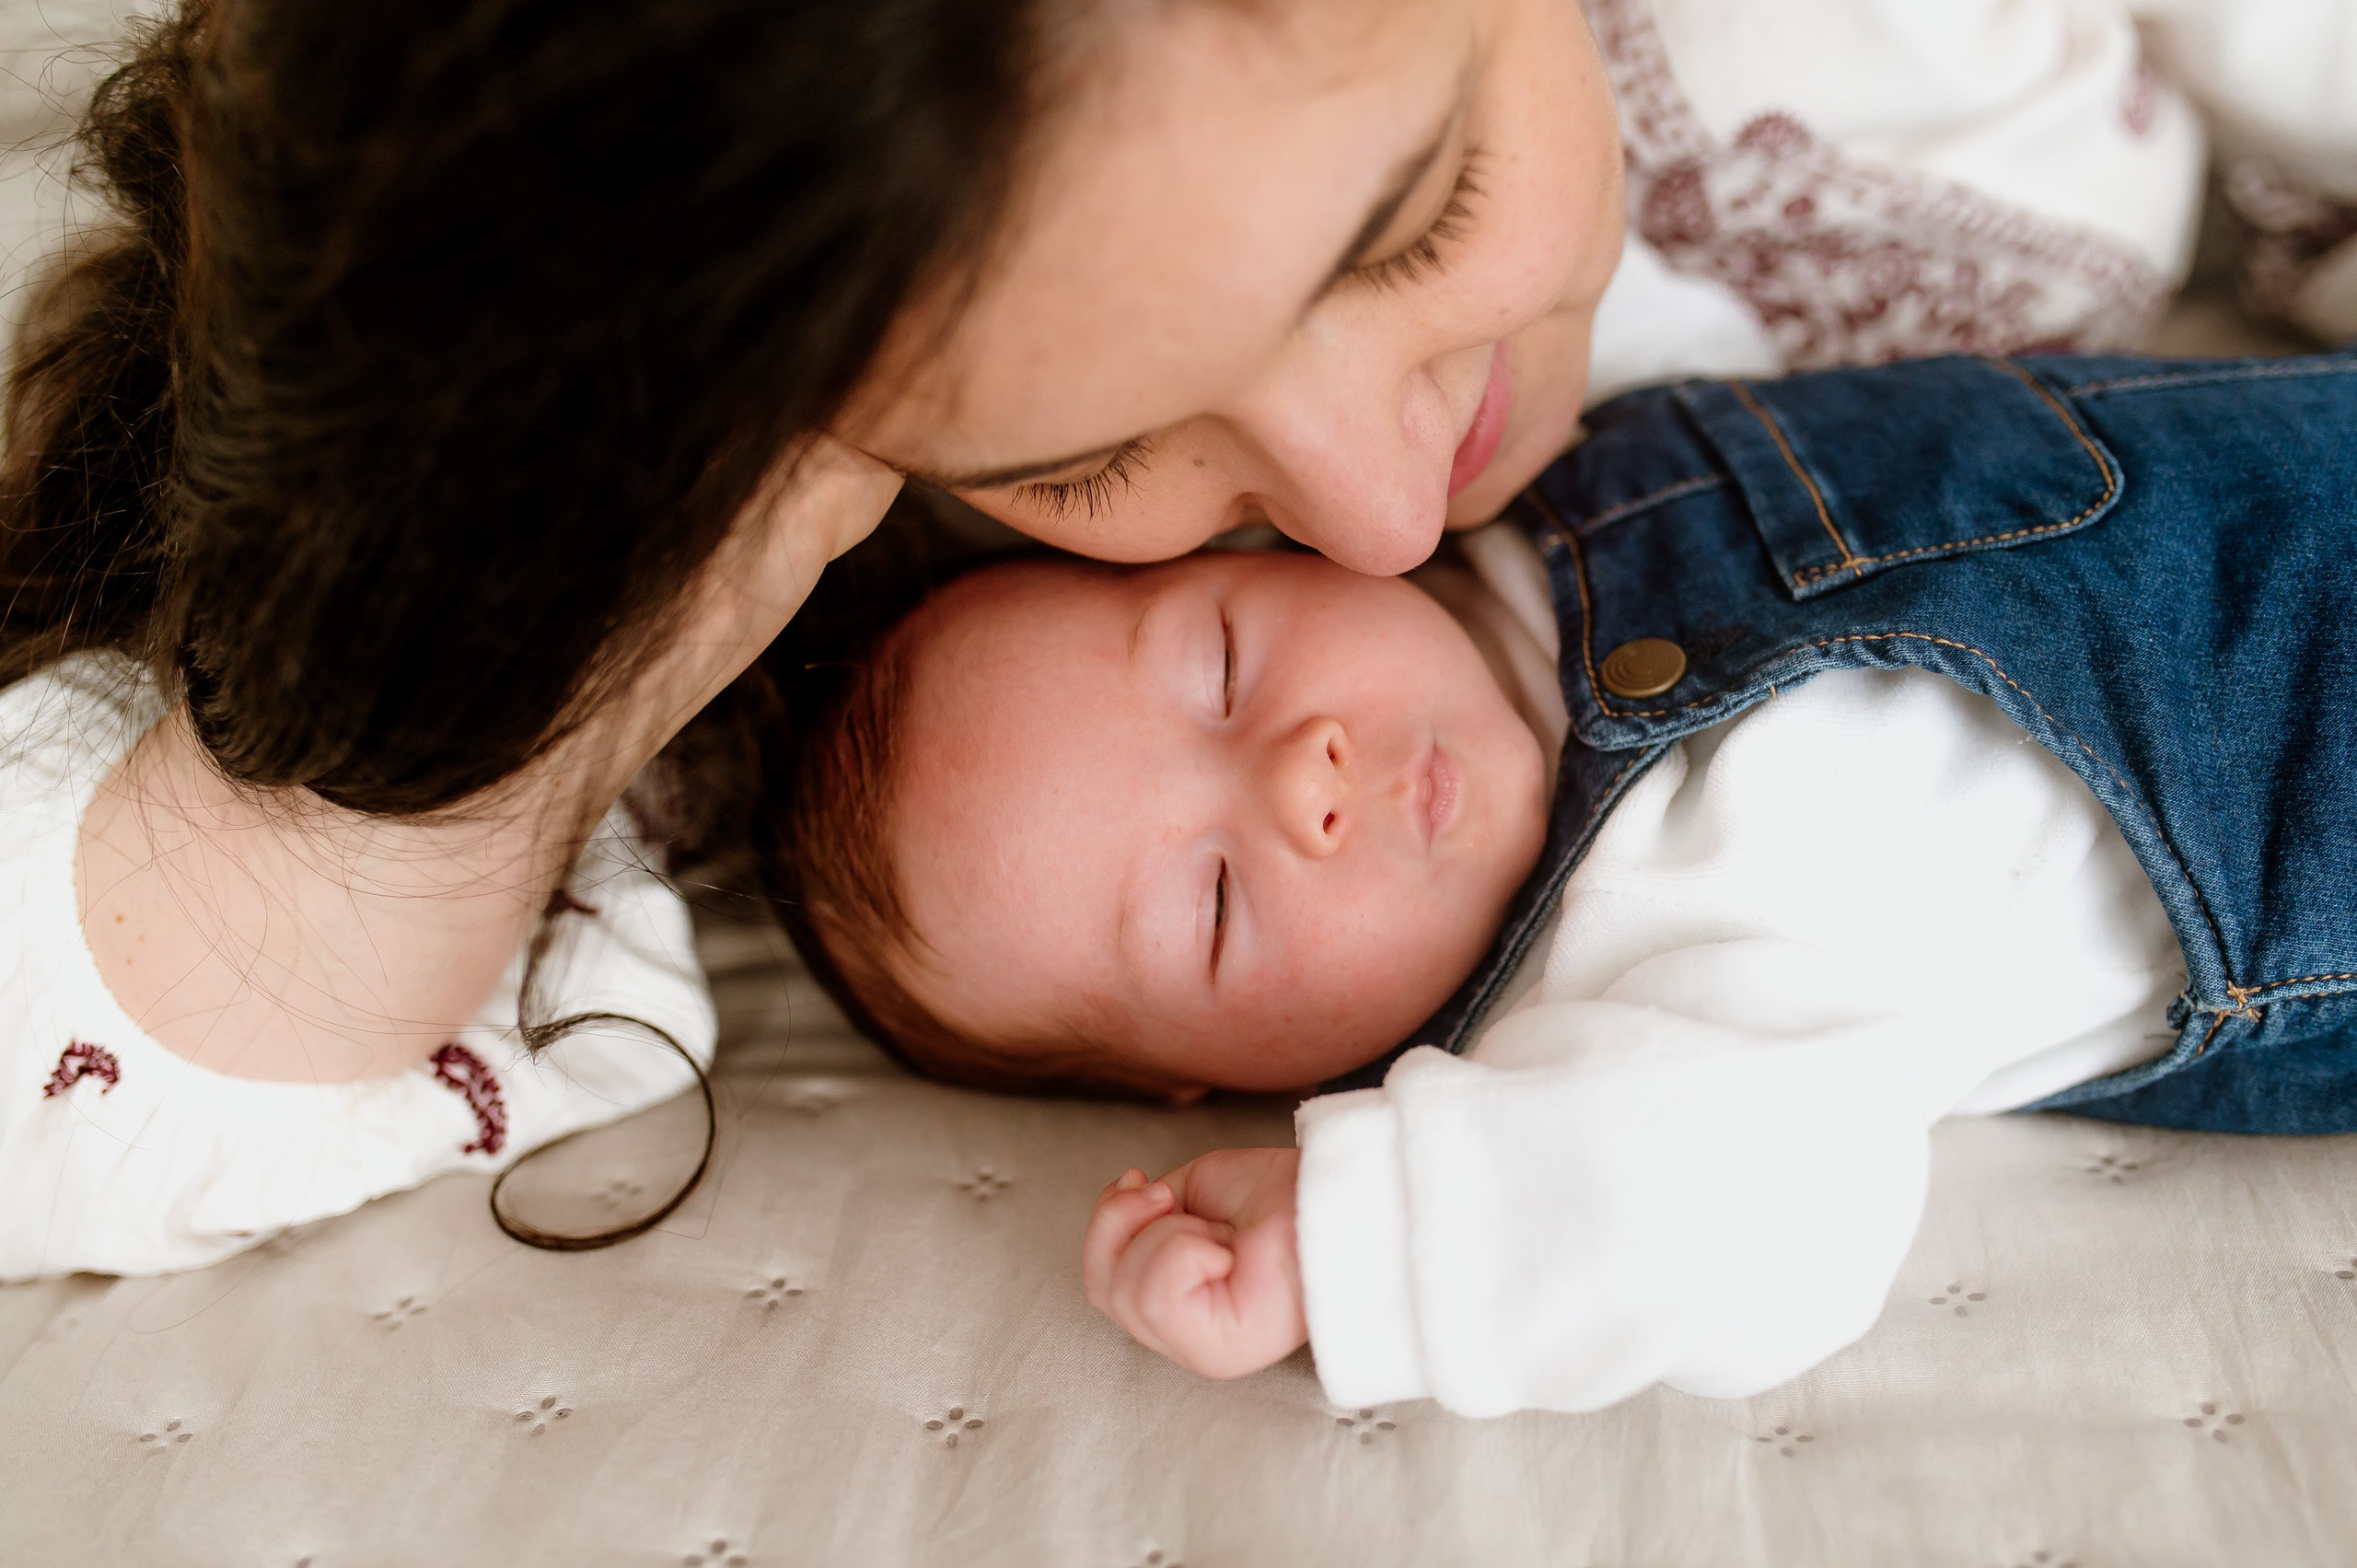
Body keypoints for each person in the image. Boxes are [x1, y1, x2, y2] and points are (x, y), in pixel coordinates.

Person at [1, 0, 2351, 1278]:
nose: (1363, 511)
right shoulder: (895, 579)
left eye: (1412, 219)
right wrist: (693, 512)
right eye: (1092, 462)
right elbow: (122, 1066)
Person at [776, 350, 2357, 1417]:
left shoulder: (1518, 470)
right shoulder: (1620, 1009)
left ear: (1251, 544)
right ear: (1216, 1084)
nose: (1301, 777)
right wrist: (1366, 1237)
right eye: (1212, 904)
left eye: (1220, 663)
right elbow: (1752, 1215)